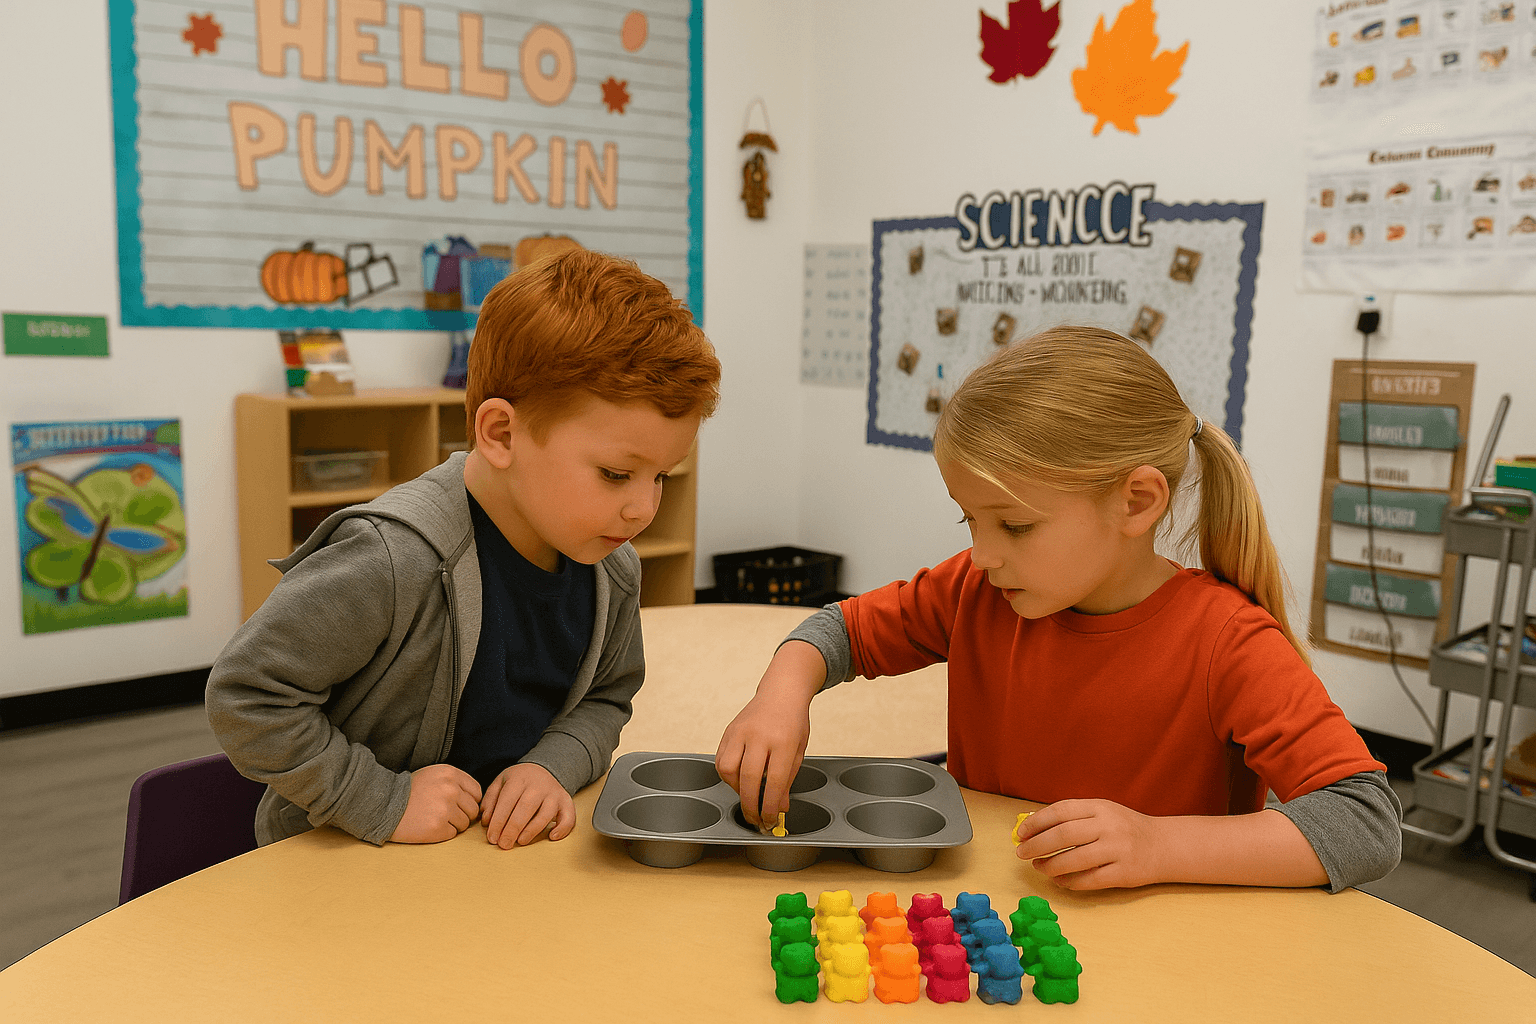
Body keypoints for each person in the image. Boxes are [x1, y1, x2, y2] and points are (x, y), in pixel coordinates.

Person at [716, 325, 1400, 892]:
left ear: (1136, 502)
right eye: (969, 523)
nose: (982, 554)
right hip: (993, 914)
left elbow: (1364, 823)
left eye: (1013, 526)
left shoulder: (1227, 641)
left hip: (1160, 957)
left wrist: (1159, 845)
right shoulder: (978, 590)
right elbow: (838, 631)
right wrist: (782, 693)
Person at [208, 250, 720, 850]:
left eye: (660, 476)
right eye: (615, 474)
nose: (643, 509)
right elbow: (247, 696)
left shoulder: (613, 565)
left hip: (492, 872)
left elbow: (608, 696)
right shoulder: (391, 560)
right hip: (348, 868)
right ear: (501, 433)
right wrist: (381, 799)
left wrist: (553, 764)